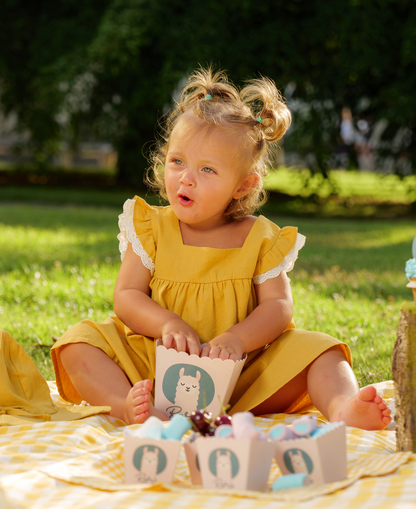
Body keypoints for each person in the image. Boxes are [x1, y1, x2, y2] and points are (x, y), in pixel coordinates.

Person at [51, 68, 391, 431]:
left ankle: (342, 408)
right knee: (78, 343)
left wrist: (237, 339)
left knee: (324, 351)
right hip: (153, 366)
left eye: (207, 169)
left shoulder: (260, 237)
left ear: (244, 185)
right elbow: (127, 295)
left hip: (243, 373)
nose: (186, 177)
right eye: (177, 161)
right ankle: (129, 405)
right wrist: (167, 322)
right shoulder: (150, 227)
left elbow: (278, 307)